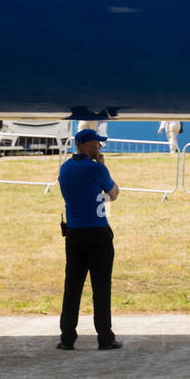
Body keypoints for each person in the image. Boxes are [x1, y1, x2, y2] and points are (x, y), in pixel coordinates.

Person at [57, 128, 122, 350]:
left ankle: (67, 338)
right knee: (101, 288)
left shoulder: (64, 168)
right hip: (97, 233)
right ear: (85, 144)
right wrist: (103, 167)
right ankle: (105, 337)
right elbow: (113, 194)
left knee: (72, 287)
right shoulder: (96, 169)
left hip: (74, 233)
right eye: (97, 143)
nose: (100, 147)